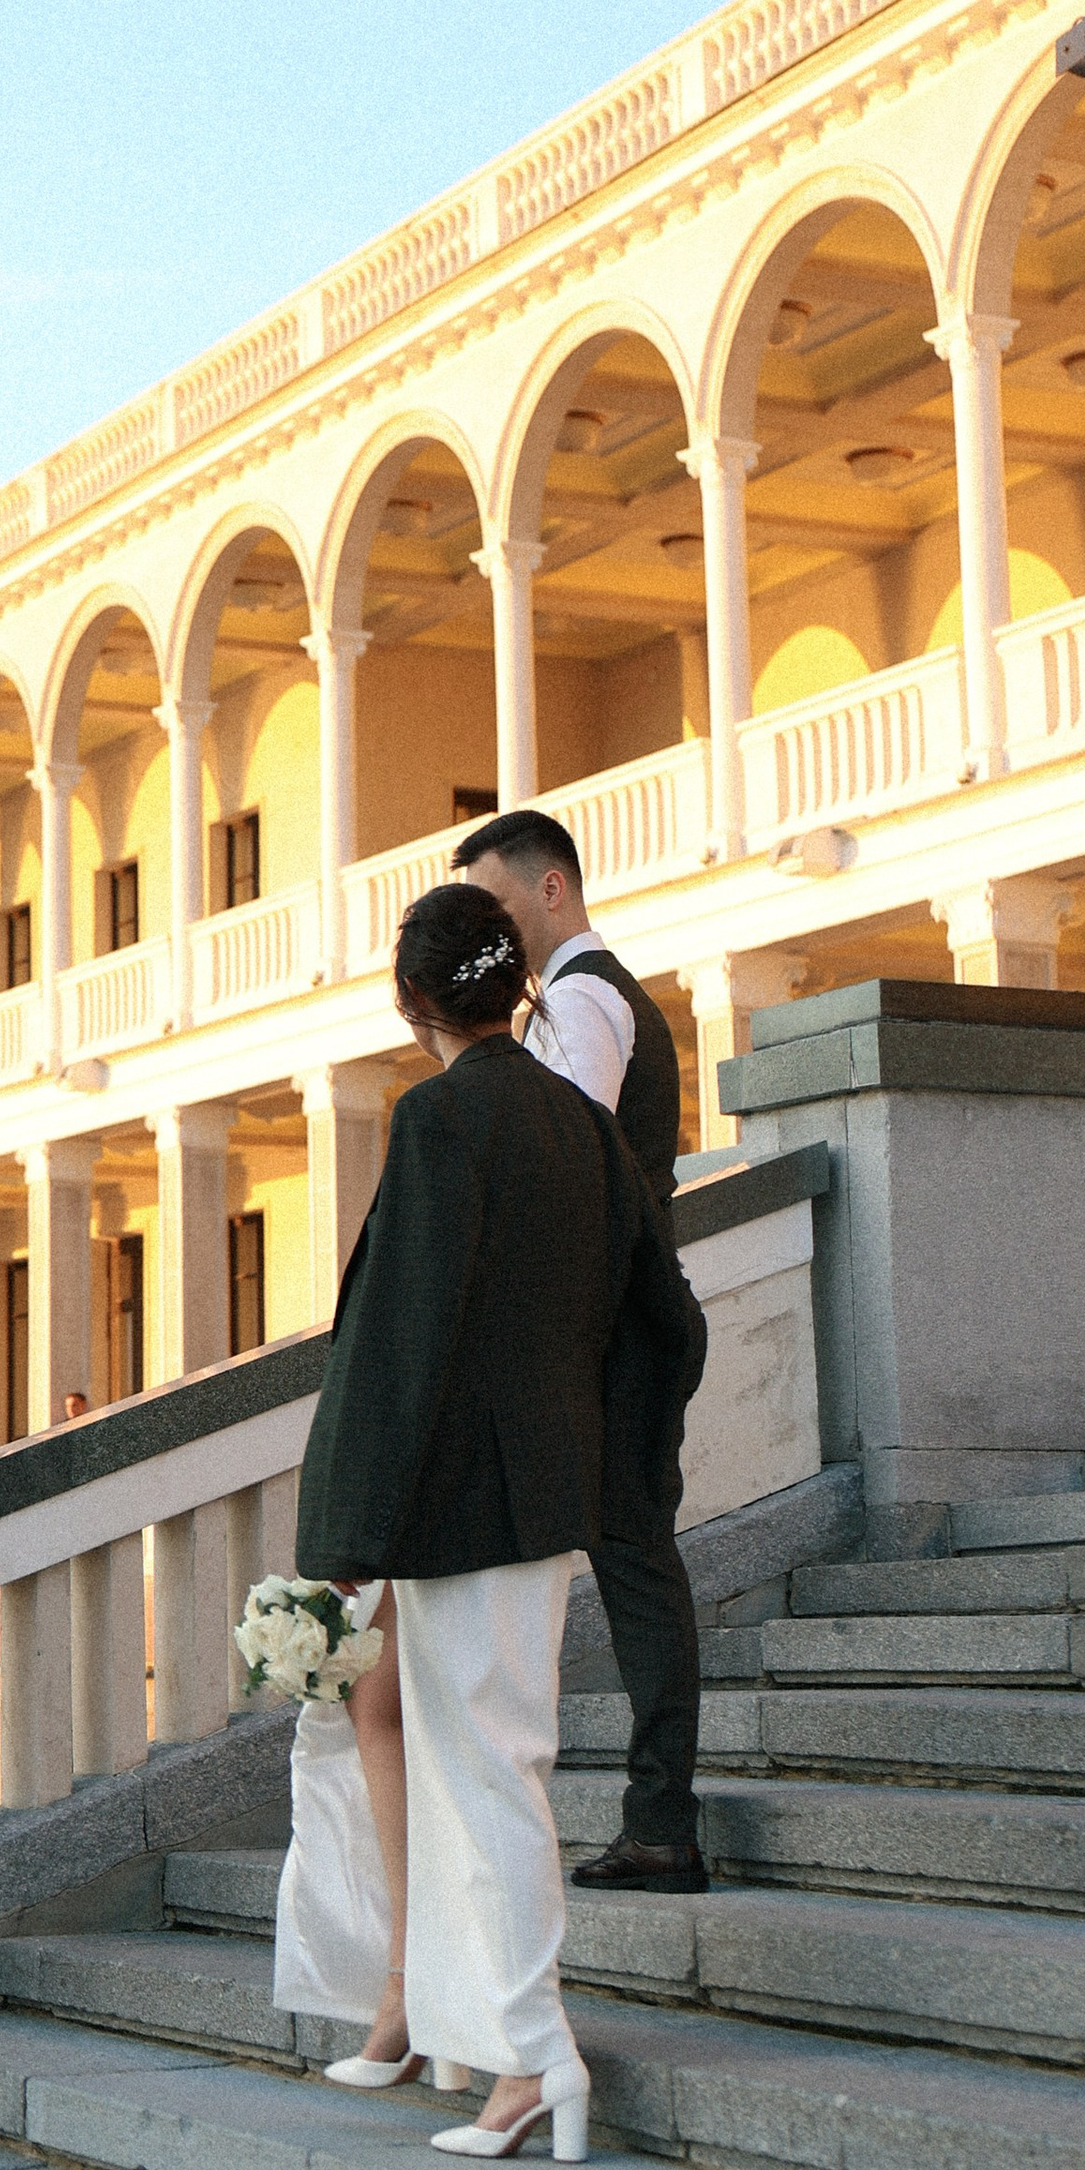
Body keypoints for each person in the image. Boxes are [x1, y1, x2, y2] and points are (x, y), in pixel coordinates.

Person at [294, 879, 704, 2159]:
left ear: (411, 998)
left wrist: (343, 1551)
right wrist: (612, 1455)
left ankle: (531, 2058)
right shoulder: (575, 1124)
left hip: (455, 1503)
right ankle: (489, 2041)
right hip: (544, 1494)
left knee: (487, 1778)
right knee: (497, 1766)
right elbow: (668, 1318)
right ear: (511, 980)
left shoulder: (439, 1122)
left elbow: (397, 1346)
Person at [455, 806, 709, 1898]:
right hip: (621, 1323)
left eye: (499, 903)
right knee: (632, 1562)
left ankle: (661, 1824)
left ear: (550, 890)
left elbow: (564, 1168)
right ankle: (655, 1821)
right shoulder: (574, 998)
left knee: (638, 1565)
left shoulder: (584, 998)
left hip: (619, 1329)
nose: (492, 930)